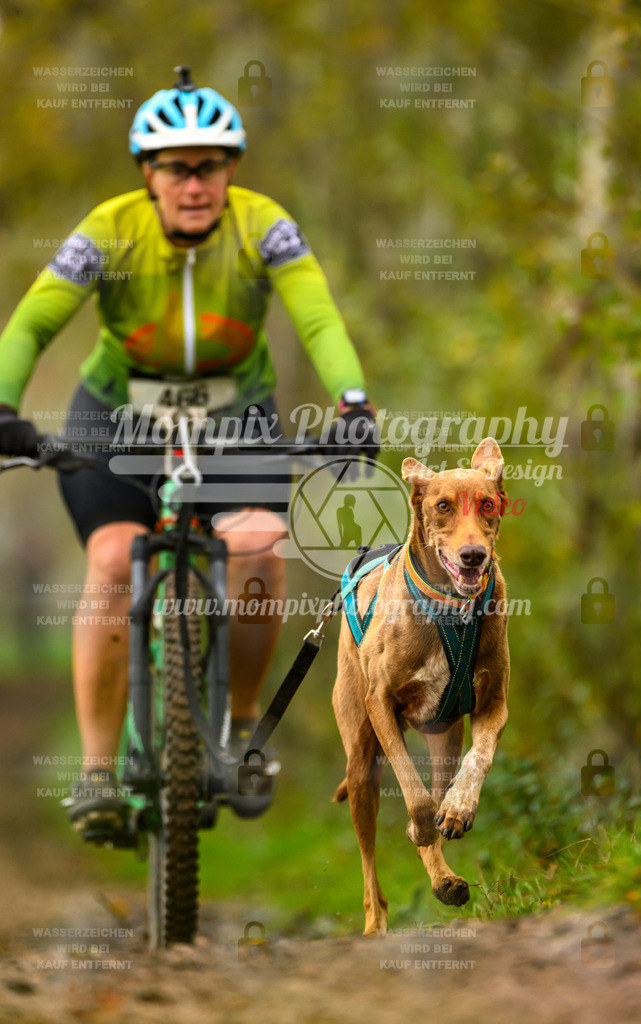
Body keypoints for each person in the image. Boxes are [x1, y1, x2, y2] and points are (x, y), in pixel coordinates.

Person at [0, 66, 377, 834]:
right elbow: (35, 319)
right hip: (117, 413)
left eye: (210, 165)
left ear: (231, 169)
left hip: (233, 413)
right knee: (112, 560)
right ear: (149, 175)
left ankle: (238, 730)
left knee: (257, 550)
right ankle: (98, 773)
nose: (194, 182)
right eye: (176, 167)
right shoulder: (107, 229)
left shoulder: (263, 224)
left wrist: (353, 401)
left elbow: (316, 317)